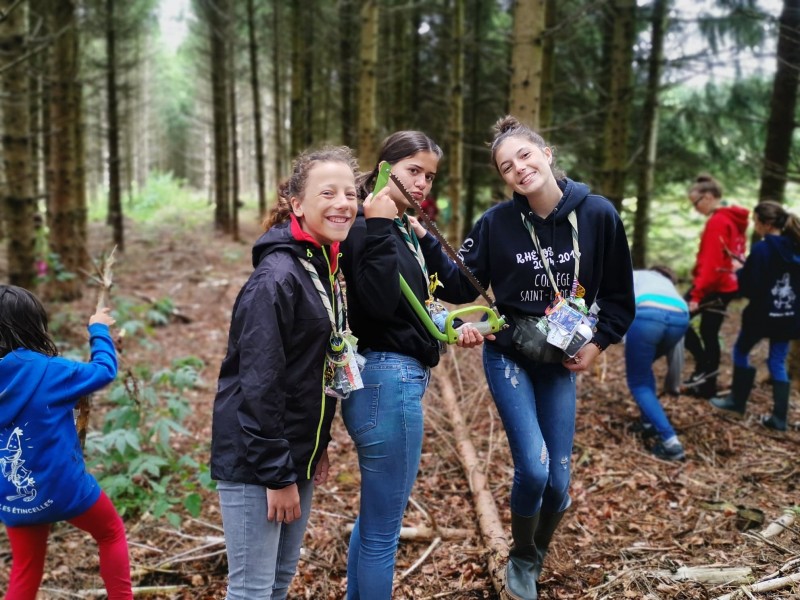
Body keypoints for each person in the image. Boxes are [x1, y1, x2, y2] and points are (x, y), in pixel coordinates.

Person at [415, 116, 635, 600]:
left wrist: (597, 345)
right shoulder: (496, 223)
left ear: (547, 154)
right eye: (506, 166)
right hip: (509, 352)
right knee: (534, 470)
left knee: (558, 482)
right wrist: (427, 240)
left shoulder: (598, 215)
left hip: (560, 358)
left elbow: (620, 297)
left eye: (525, 156)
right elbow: (460, 284)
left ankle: (537, 549)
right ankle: (521, 556)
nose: (519, 169)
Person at [339, 131, 486, 600]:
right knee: (384, 532)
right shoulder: (367, 227)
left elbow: (457, 291)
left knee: (375, 521)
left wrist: (419, 232)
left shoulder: (400, 229)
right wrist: (382, 226)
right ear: (385, 168)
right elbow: (379, 305)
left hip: (392, 381)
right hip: (387, 382)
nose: (422, 183)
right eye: (413, 171)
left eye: (429, 175)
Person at [210, 146, 360, 600]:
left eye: (350, 193)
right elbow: (259, 384)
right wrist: (277, 476)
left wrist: (316, 449)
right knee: (253, 590)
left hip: (296, 457)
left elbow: (309, 372)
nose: (342, 203)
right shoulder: (276, 278)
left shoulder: (324, 265)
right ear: (297, 204)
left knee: (278, 582)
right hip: (258, 462)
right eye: (327, 192)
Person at [0, 285, 132, 600]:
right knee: (111, 533)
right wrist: (98, 328)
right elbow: (104, 370)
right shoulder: (52, 371)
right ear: (33, 325)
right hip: (67, 489)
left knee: (26, 569)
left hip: (14, 494)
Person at [710, 201, 800, 431]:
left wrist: (740, 272)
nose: (754, 226)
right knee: (777, 362)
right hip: (788, 316)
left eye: (756, 221)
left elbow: (750, 287)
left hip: (760, 317)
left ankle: (736, 403)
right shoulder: (795, 246)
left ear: (766, 224)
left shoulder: (762, 248)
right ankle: (780, 419)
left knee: (740, 351)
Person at [683, 174, 749, 398]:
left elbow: (712, 262)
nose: (695, 208)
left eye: (696, 202)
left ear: (708, 197)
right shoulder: (733, 219)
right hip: (726, 285)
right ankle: (706, 383)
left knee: (678, 319)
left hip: (714, 286)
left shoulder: (718, 221)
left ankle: (704, 372)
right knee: (709, 332)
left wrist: (696, 295)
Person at [625, 267, 690, 461]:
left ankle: (671, 444)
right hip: (680, 317)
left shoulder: (636, 275)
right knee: (644, 370)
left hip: (647, 316)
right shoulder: (668, 284)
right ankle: (648, 423)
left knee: (637, 381)